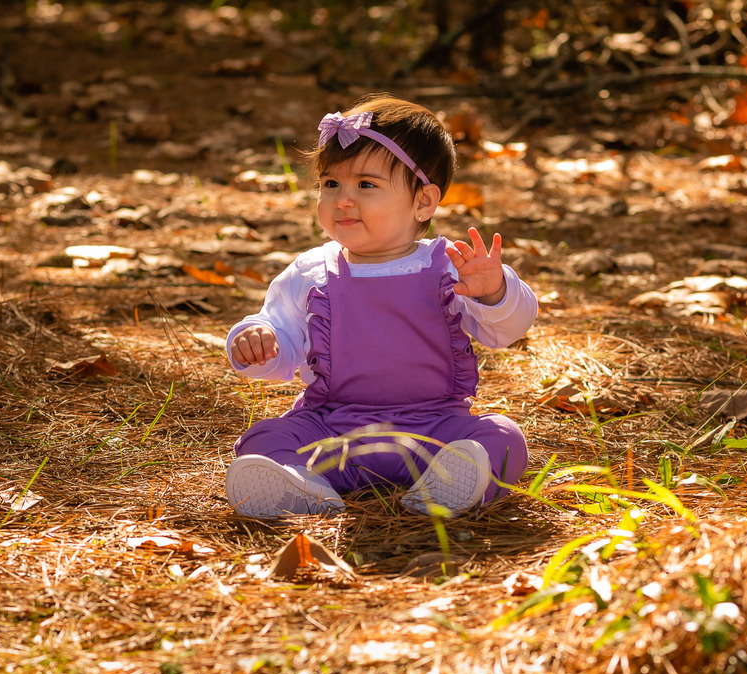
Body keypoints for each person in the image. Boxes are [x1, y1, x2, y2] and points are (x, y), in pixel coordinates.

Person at [224, 95, 537, 519]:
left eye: (366, 185)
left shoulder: (449, 267)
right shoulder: (311, 271)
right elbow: (281, 338)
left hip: (434, 428)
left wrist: (494, 292)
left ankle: (451, 484)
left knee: (502, 435)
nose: (343, 200)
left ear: (423, 202)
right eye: (331, 184)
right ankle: (303, 488)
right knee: (264, 438)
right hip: (332, 429)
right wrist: (260, 341)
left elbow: (507, 330)